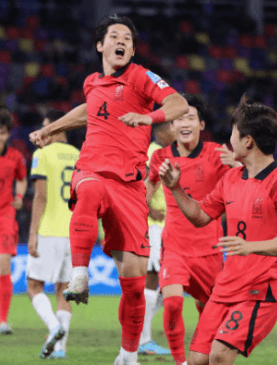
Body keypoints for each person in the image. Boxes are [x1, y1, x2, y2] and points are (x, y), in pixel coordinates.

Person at [29, 15, 188, 365]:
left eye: (128, 39)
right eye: (115, 36)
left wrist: (150, 118)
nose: (122, 42)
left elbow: (178, 104)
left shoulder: (141, 77)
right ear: (100, 45)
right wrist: (51, 128)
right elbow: (91, 111)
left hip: (130, 188)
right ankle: (80, 275)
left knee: (133, 287)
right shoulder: (92, 82)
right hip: (93, 171)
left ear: (132, 49)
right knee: (88, 191)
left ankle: (128, 355)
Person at [158, 94, 277, 365]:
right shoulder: (231, 178)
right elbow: (200, 216)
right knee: (198, 360)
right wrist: (175, 187)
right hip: (225, 287)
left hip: (261, 289)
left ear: (248, 140)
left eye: (234, 133)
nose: (229, 140)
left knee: (219, 356)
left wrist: (250, 247)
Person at [146, 93, 239, 365]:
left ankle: (203, 353)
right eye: (179, 118)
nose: (184, 123)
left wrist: (238, 166)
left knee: (209, 311)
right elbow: (144, 195)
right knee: (172, 303)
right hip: (174, 246)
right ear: (171, 126)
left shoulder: (217, 155)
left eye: (190, 117)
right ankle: (180, 362)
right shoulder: (160, 158)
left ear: (201, 124)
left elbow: (243, 188)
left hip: (210, 249)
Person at [27, 110, 80, 359]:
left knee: (33, 286)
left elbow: (41, 196)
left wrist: (32, 234)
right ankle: (61, 350)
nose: (43, 133)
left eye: (48, 128)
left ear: (60, 128)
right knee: (64, 290)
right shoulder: (82, 156)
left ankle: (53, 328)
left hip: (49, 230)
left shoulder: (41, 154)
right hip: (76, 233)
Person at [138, 121, 174, 355]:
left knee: (165, 282)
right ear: (161, 130)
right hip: (153, 227)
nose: (176, 130)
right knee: (152, 279)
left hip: (166, 226)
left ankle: (139, 329)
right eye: (172, 126)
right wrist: (149, 208)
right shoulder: (153, 152)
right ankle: (143, 340)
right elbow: (140, 184)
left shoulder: (166, 153)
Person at [0, 108, 27, 335]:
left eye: (1, 132)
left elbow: (21, 179)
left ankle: (2, 320)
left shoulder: (15, 157)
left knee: (3, 264)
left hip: (5, 214)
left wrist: (18, 197)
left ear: (7, 134)